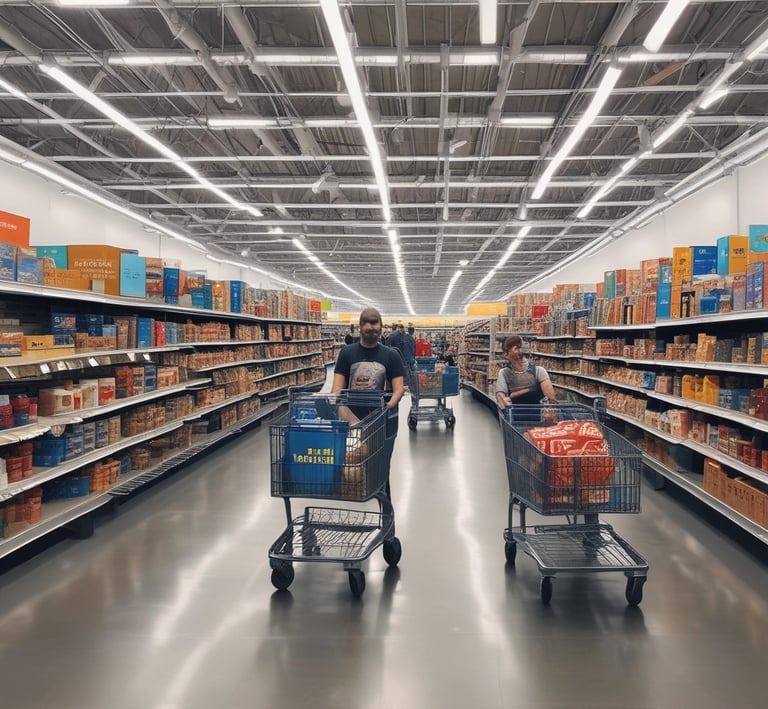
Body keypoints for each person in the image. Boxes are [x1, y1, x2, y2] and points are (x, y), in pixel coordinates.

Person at [333, 308, 406, 416]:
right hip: (350, 416)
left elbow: (399, 388)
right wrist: (333, 402)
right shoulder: (346, 352)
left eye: (374, 322)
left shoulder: (392, 355)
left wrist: (389, 405)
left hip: (379, 417)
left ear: (381, 325)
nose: (370, 327)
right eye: (365, 323)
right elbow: (337, 388)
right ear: (360, 327)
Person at [495, 334, 557, 421]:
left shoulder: (539, 371)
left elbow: (551, 400)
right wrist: (502, 399)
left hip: (538, 419)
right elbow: (500, 395)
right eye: (516, 348)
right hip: (515, 421)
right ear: (506, 354)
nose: (520, 352)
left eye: (521, 348)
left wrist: (552, 415)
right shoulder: (504, 373)